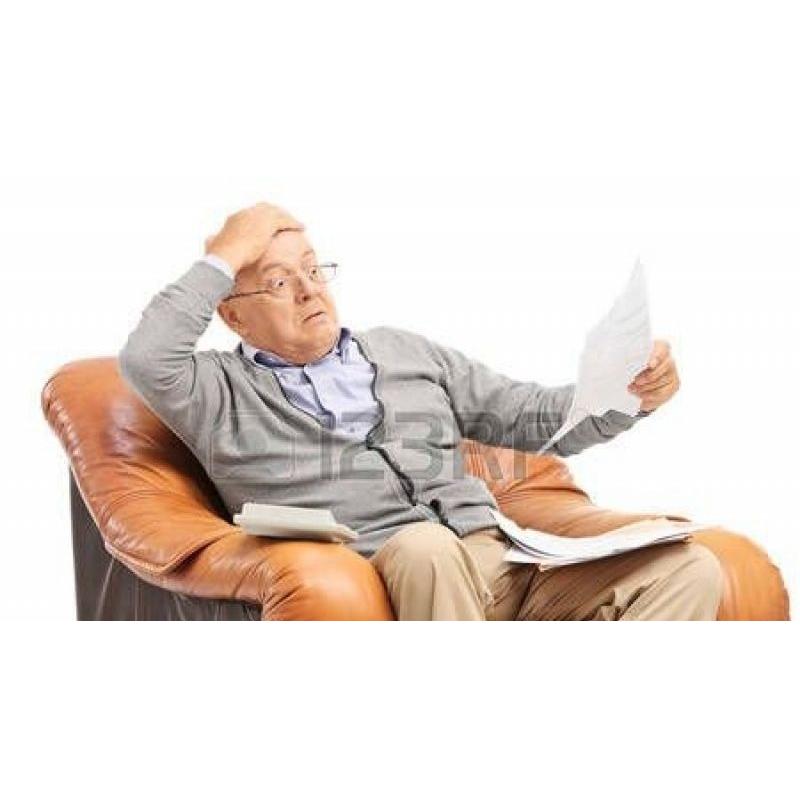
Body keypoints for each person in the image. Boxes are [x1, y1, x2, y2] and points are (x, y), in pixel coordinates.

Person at [119, 202, 723, 620]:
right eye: (279, 282)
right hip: (396, 571)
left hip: (504, 562)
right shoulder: (216, 390)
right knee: (424, 548)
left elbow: (535, 417)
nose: (309, 290)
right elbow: (146, 357)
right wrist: (229, 249)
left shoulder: (405, 351)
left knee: (689, 569)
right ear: (232, 315)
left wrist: (627, 394)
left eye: (313, 268)